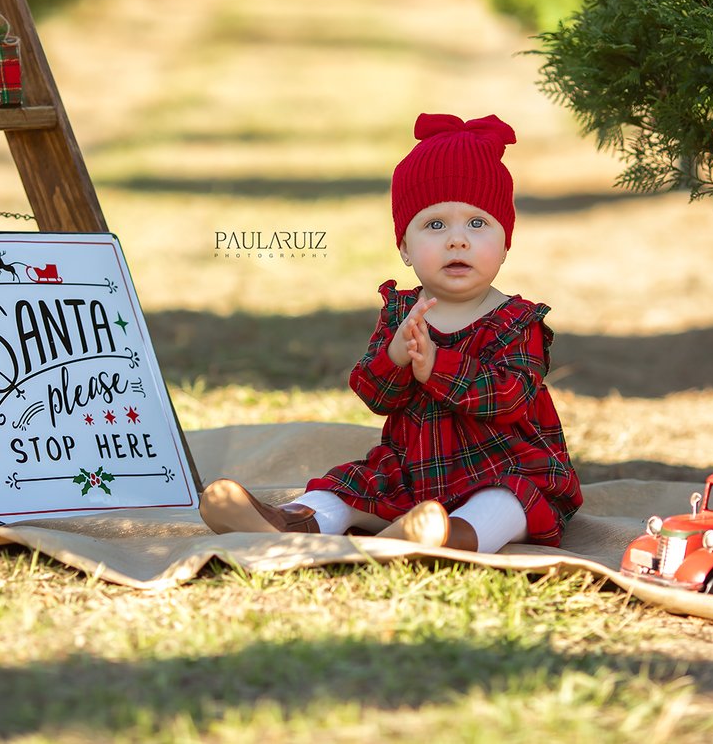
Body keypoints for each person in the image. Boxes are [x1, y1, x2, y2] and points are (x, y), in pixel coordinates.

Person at [198, 113, 583, 551]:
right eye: (435, 225)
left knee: (505, 501)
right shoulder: (403, 313)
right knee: (351, 484)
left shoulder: (516, 321)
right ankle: (295, 520)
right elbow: (375, 395)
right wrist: (397, 356)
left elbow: (511, 396)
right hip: (413, 470)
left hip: (500, 462)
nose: (457, 240)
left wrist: (438, 366)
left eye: (478, 223)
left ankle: (455, 537)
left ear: (505, 242)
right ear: (404, 247)